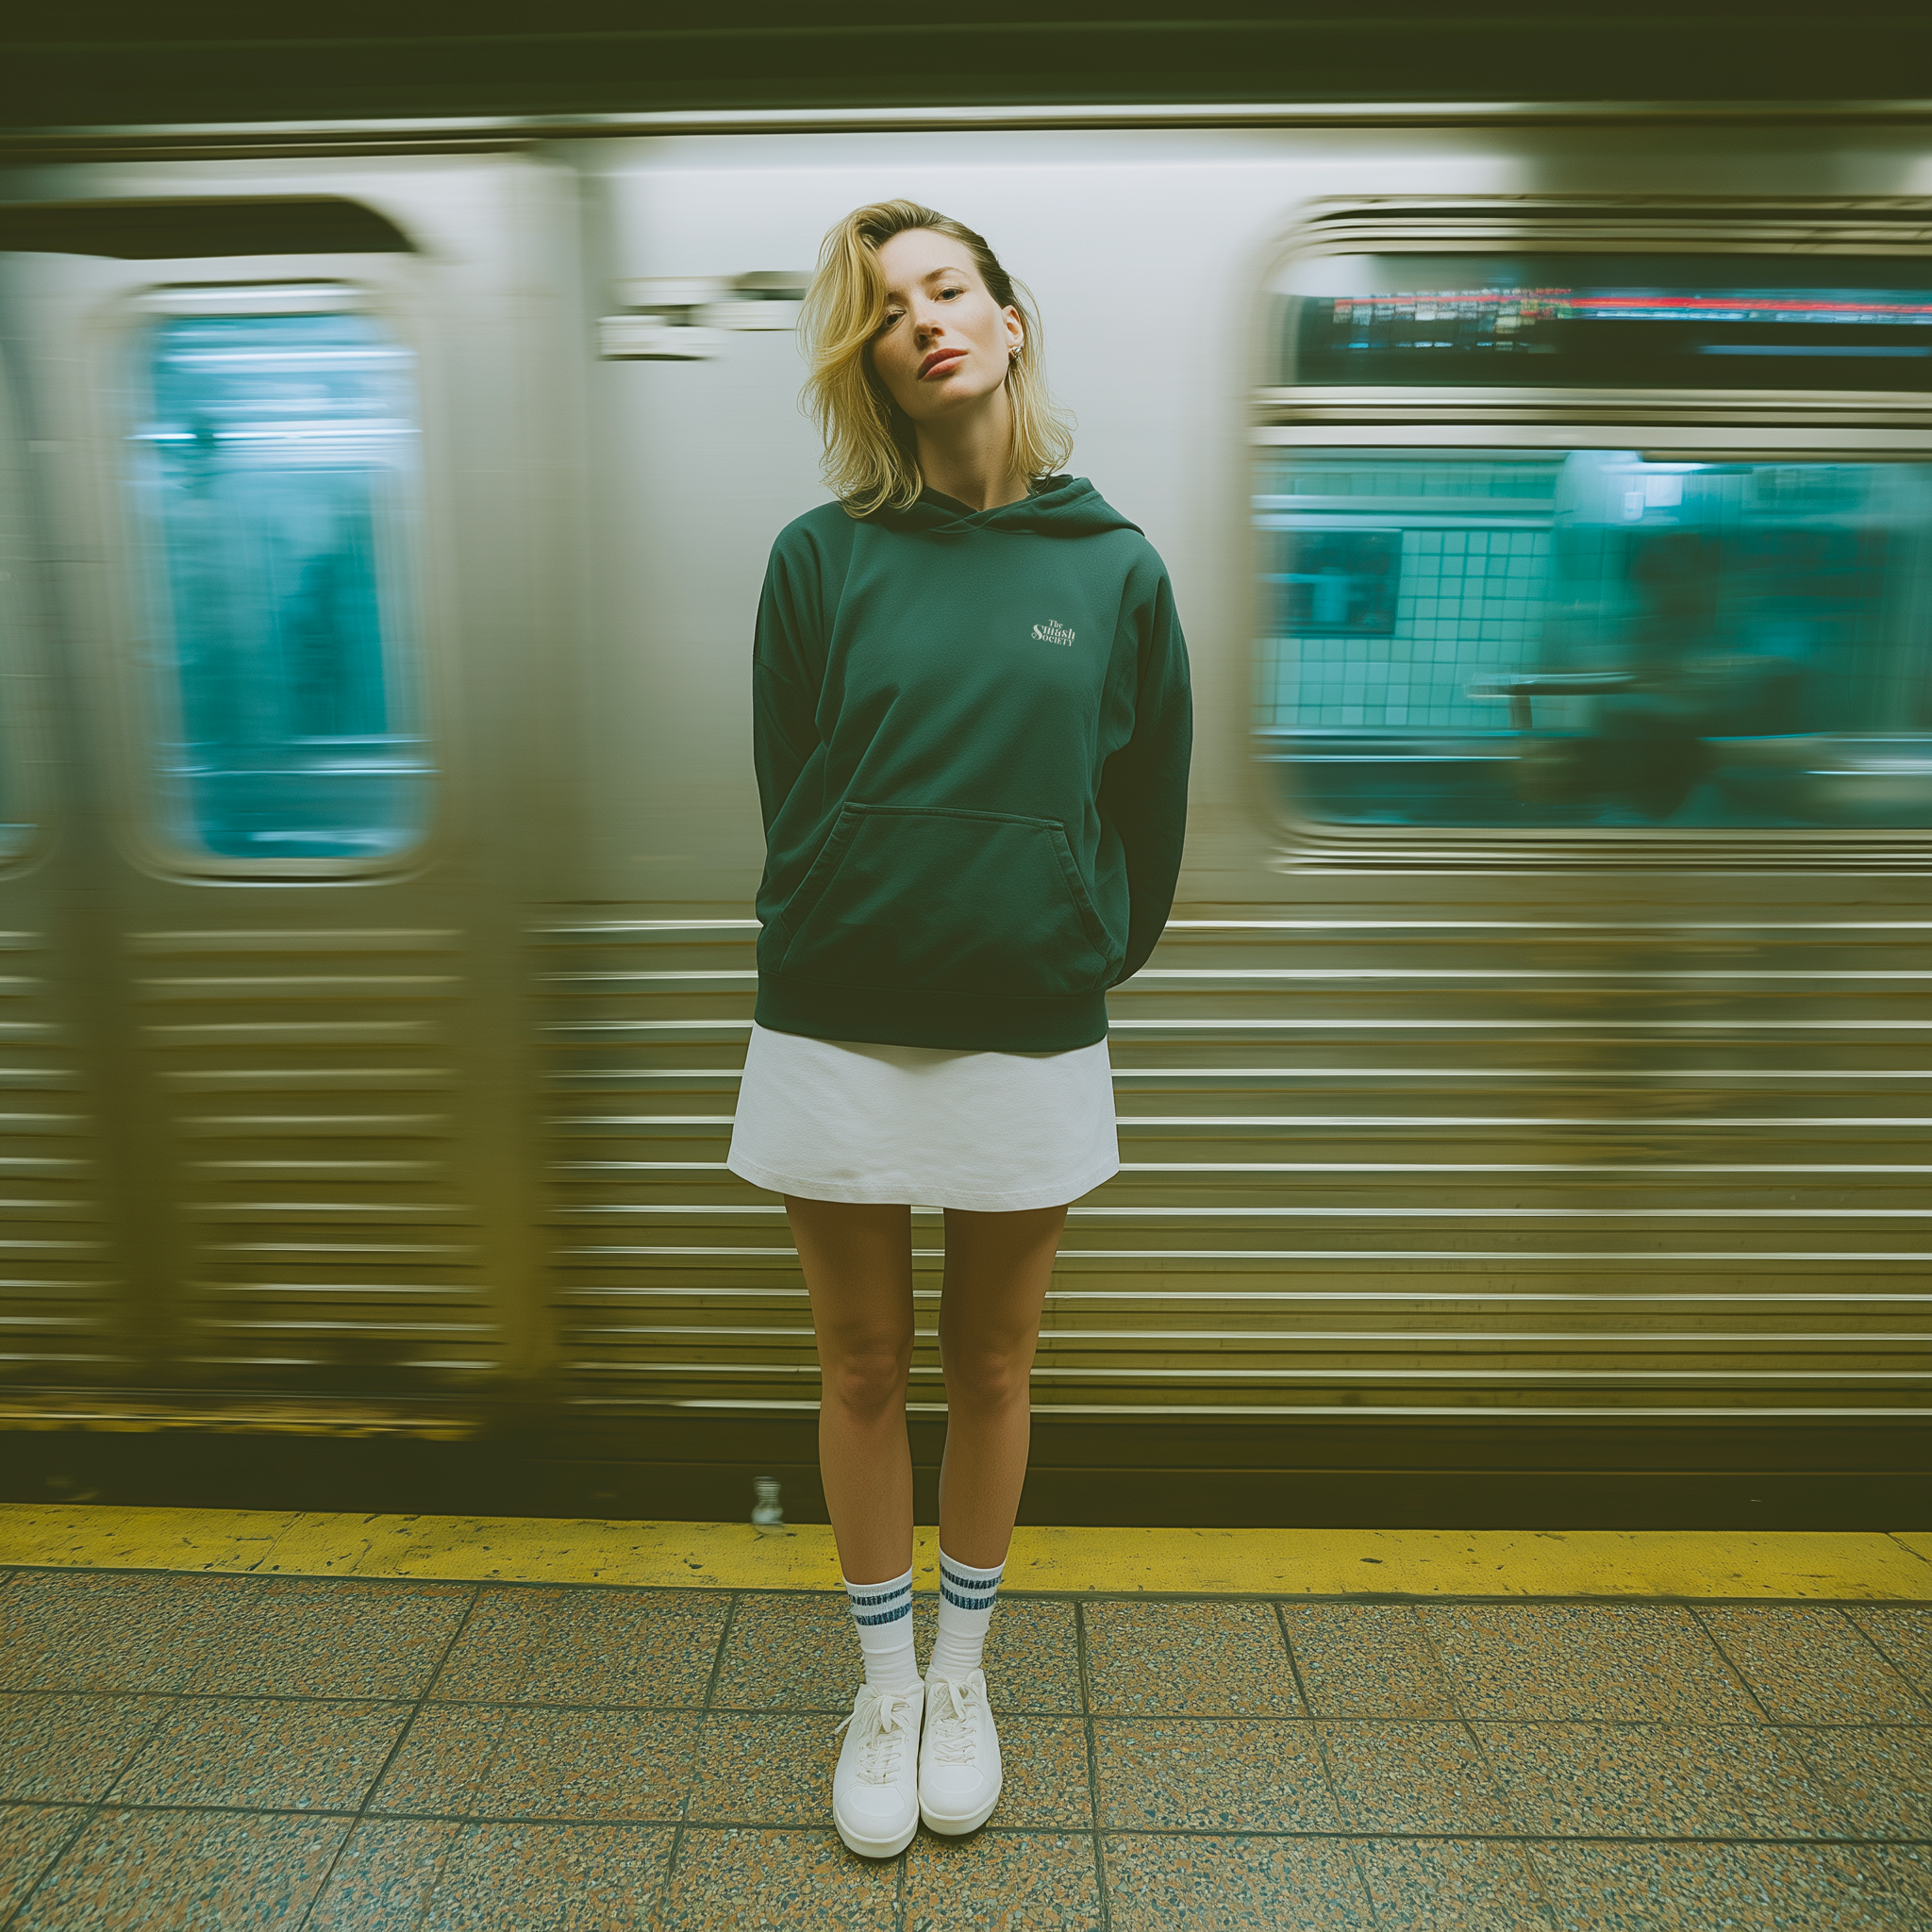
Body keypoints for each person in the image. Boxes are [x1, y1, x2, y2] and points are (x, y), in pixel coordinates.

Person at [724, 199, 1191, 1857]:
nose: (923, 320)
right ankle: (881, 1685)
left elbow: (1147, 805)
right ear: (871, 364)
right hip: (839, 1018)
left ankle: (968, 1670)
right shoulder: (819, 557)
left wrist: (1064, 944)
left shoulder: (1115, 564)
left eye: (948, 288)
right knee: (860, 1367)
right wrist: (863, 905)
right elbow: (796, 789)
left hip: (1027, 1025)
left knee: (993, 1364)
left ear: (1006, 315)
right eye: (885, 311)